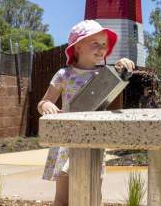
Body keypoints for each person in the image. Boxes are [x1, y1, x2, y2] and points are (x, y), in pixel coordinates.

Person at [37, 19, 135, 206]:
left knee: (93, 196)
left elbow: (121, 75)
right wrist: (46, 106)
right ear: (78, 46)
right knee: (63, 198)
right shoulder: (64, 75)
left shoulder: (105, 75)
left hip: (93, 141)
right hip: (67, 142)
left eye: (104, 44)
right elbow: (43, 101)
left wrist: (124, 66)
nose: (101, 48)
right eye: (95, 43)